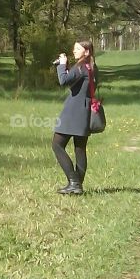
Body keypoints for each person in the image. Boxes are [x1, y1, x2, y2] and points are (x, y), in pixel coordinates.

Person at [51, 39, 98, 195]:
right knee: (80, 149)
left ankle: (73, 181)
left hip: (74, 112)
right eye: (74, 48)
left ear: (87, 51)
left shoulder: (81, 67)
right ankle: (77, 185)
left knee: (57, 145)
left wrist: (62, 65)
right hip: (85, 111)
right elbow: (78, 82)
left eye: (77, 49)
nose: (74, 51)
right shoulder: (91, 67)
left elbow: (63, 80)